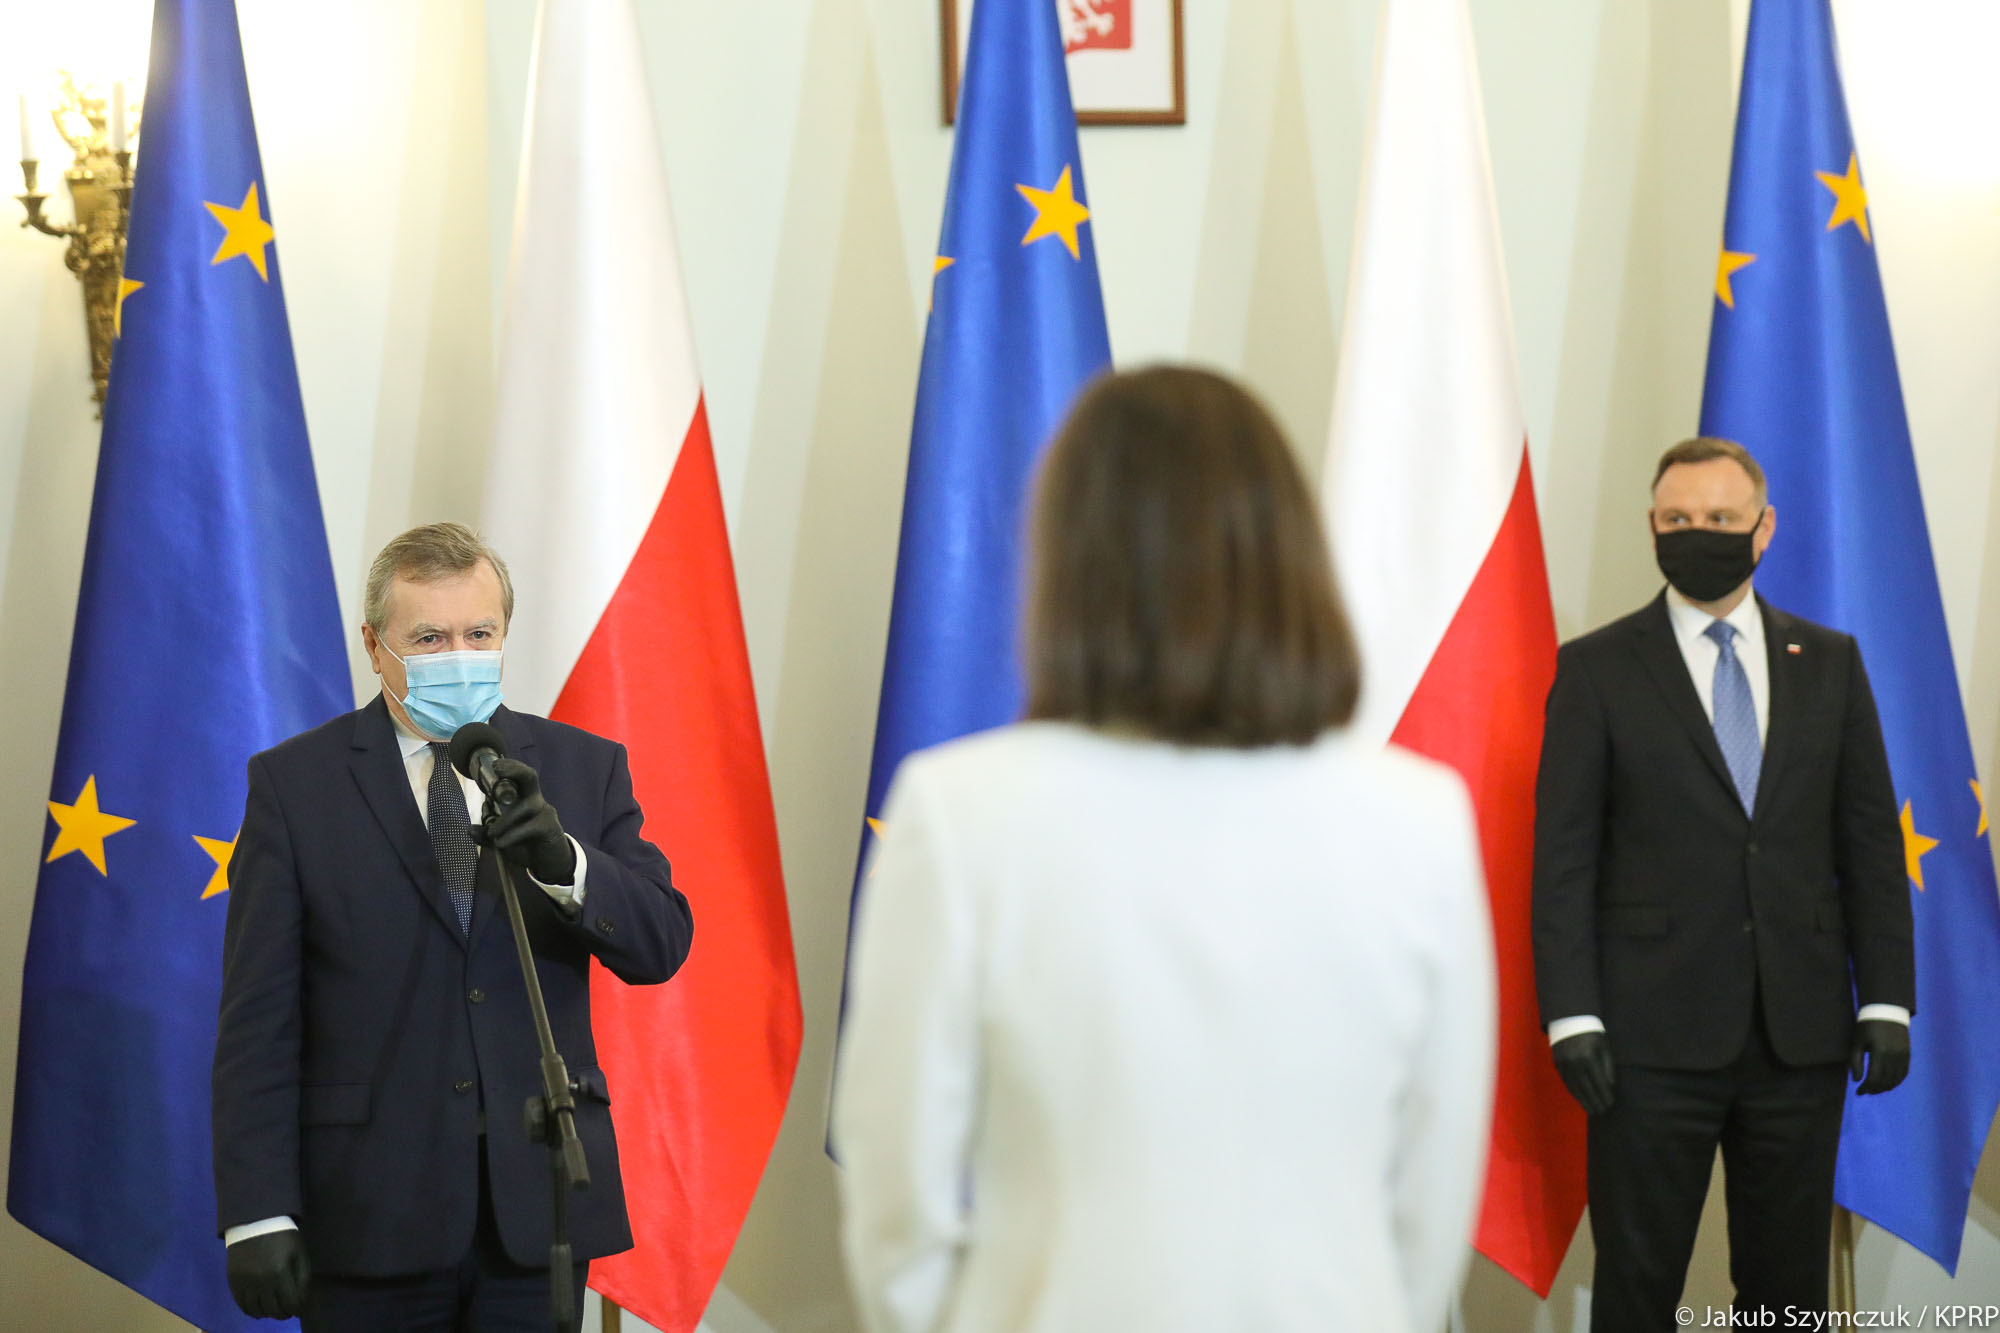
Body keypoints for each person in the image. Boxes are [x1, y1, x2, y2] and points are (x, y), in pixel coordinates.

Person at [833, 366, 1496, 1333]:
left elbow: (898, 1199)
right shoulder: (1419, 819)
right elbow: (1430, 1205)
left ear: (1069, 564)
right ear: (1289, 553)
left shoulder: (963, 811)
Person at [211, 522, 693, 1330]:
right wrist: (256, 1209)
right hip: (366, 1211)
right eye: (429, 638)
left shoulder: (582, 766)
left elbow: (660, 943)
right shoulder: (295, 785)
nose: (458, 656)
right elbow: (258, 1019)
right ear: (375, 645)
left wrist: (565, 862)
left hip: (535, 1212)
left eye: (479, 633)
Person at [1532, 438, 1914, 1331]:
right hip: (1644, 1045)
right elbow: (1564, 858)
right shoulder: (1596, 668)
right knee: (1637, 1288)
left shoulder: (1830, 661)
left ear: (1763, 527)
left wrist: (1887, 999)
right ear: (1652, 526)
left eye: (1719, 517)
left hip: (1799, 1038)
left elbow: (1869, 844)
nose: (1695, 531)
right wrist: (1572, 1015)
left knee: (1787, 1296)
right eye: (1677, 518)